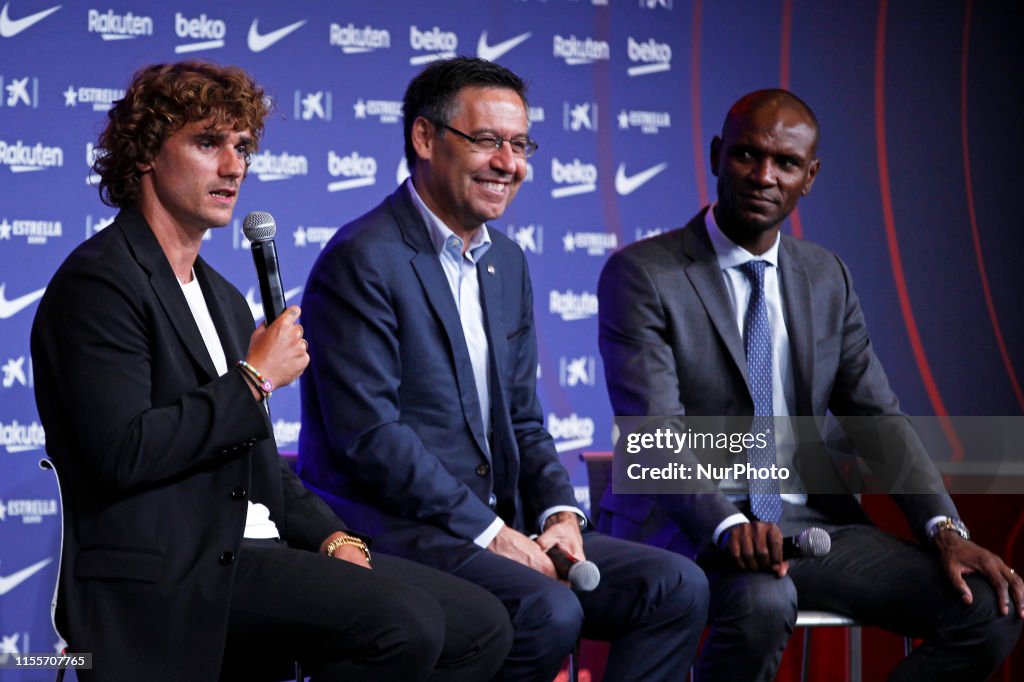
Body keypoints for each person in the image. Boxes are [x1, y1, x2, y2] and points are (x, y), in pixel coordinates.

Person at [31, 60, 512, 682]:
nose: (234, 167)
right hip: (174, 569)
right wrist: (253, 381)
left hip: (253, 550)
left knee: (482, 624)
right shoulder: (101, 281)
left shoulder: (224, 297)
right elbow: (120, 453)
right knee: (405, 623)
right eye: (208, 143)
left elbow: (255, 464)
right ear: (146, 152)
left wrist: (332, 537)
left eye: (242, 148)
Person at [298, 56, 709, 682]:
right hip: (394, 530)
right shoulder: (363, 258)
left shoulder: (507, 261)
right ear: (424, 138)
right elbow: (370, 439)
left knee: (674, 585)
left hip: (498, 522)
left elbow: (523, 418)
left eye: (519, 145)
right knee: (546, 611)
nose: (509, 164)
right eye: (488, 141)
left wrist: (557, 515)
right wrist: (491, 532)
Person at [595, 88, 1022, 681]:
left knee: (988, 608)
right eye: (746, 155)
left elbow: (876, 417)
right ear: (718, 154)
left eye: (786, 163)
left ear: (809, 176)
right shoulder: (643, 274)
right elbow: (653, 435)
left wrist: (945, 529)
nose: (763, 176)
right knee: (763, 604)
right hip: (686, 528)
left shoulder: (827, 276)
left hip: (810, 529)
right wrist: (727, 525)